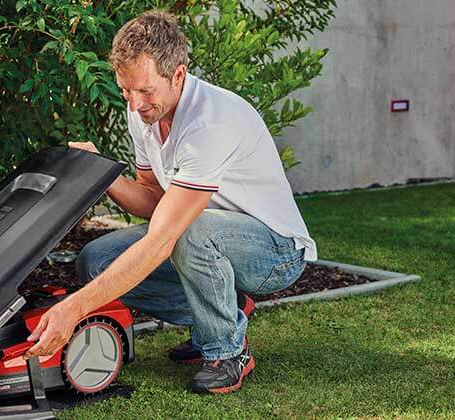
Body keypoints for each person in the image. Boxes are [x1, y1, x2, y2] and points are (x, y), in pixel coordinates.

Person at [23, 10, 317, 394]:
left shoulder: (210, 123)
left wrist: (73, 309)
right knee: (95, 261)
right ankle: (225, 310)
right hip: (204, 234)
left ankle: (227, 352)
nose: (134, 104)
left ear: (177, 75)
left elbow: (165, 236)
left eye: (145, 91)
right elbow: (152, 198)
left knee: (187, 231)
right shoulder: (145, 112)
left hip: (274, 252)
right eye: (126, 90)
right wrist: (102, 173)